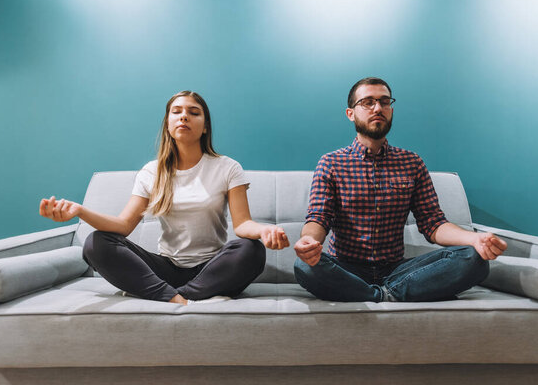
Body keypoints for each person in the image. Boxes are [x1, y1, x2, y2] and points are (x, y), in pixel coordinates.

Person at [40, 90, 289, 305]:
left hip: (212, 269)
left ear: (205, 127)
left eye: (194, 112)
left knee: (251, 250)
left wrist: (264, 230)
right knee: (96, 243)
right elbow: (123, 226)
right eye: (177, 111)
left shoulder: (228, 168)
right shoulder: (152, 172)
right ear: (168, 124)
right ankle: (176, 297)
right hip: (165, 269)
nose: (184, 116)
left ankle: (171, 297)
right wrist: (80, 211)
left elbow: (243, 224)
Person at [293, 77, 507, 302]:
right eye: (368, 102)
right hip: (346, 269)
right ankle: (389, 294)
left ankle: (380, 294)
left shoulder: (412, 163)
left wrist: (473, 239)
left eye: (384, 102)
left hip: (397, 270)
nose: (378, 108)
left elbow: (433, 223)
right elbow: (319, 218)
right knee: (304, 267)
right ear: (351, 113)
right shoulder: (331, 163)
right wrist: (308, 241)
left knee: (474, 259)